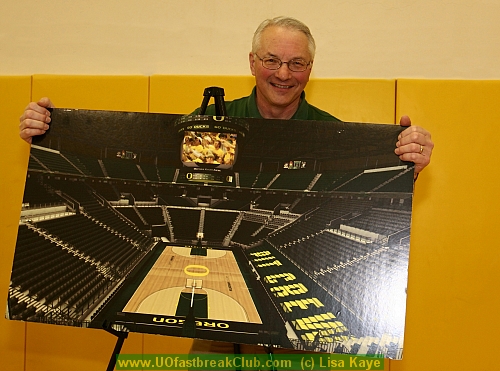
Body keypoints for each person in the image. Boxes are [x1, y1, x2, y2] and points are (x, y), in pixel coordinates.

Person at [18, 15, 434, 356]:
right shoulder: (207, 123)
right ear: (252, 62)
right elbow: (142, 157)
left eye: (297, 63)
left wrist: (403, 168)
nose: (283, 74)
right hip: (217, 340)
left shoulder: (336, 137)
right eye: (272, 60)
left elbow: (368, 198)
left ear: (311, 68)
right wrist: (51, 132)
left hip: (301, 353)